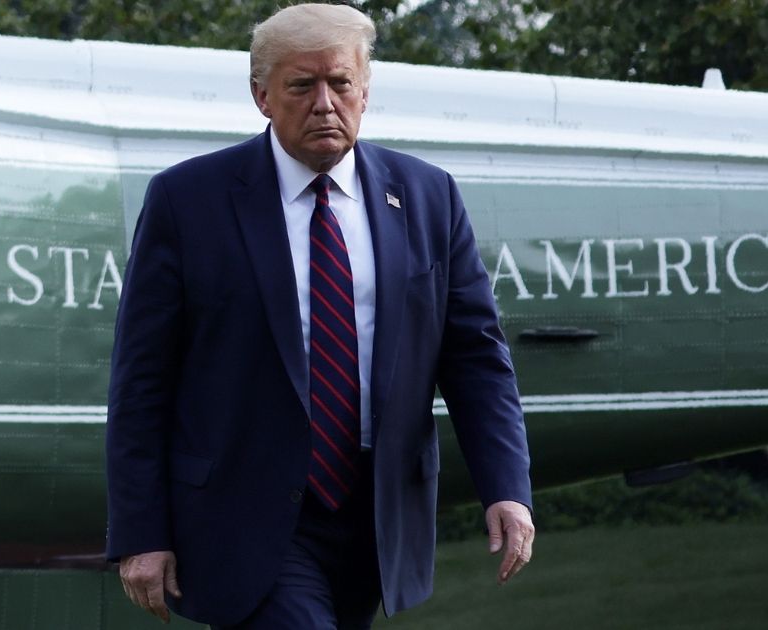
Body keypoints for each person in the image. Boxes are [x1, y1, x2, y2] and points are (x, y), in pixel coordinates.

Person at [105, 4, 534, 628]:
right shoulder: (187, 201)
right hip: (243, 513)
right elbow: (141, 379)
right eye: (302, 86)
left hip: (377, 512)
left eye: (341, 83)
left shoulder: (428, 196)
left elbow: (476, 360)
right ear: (262, 96)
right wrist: (140, 530)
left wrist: (507, 487)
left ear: (366, 90)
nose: (325, 104)